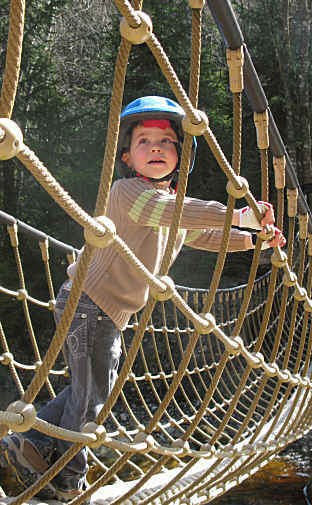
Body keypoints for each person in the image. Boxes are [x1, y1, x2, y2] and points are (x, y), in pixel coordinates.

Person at [0, 96, 286, 501]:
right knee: (93, 398)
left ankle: (26, 443)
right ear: (127, 158)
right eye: (144, 141)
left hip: (103, 313)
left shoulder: (173, 210)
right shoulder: (128, 193)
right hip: (88, 306)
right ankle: (67, 480)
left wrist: (253, 241)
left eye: (166, 142)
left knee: (91, 389)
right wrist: (237, 214)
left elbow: (202, 234)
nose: (155, 147)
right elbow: (167, 211)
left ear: (181, 159)